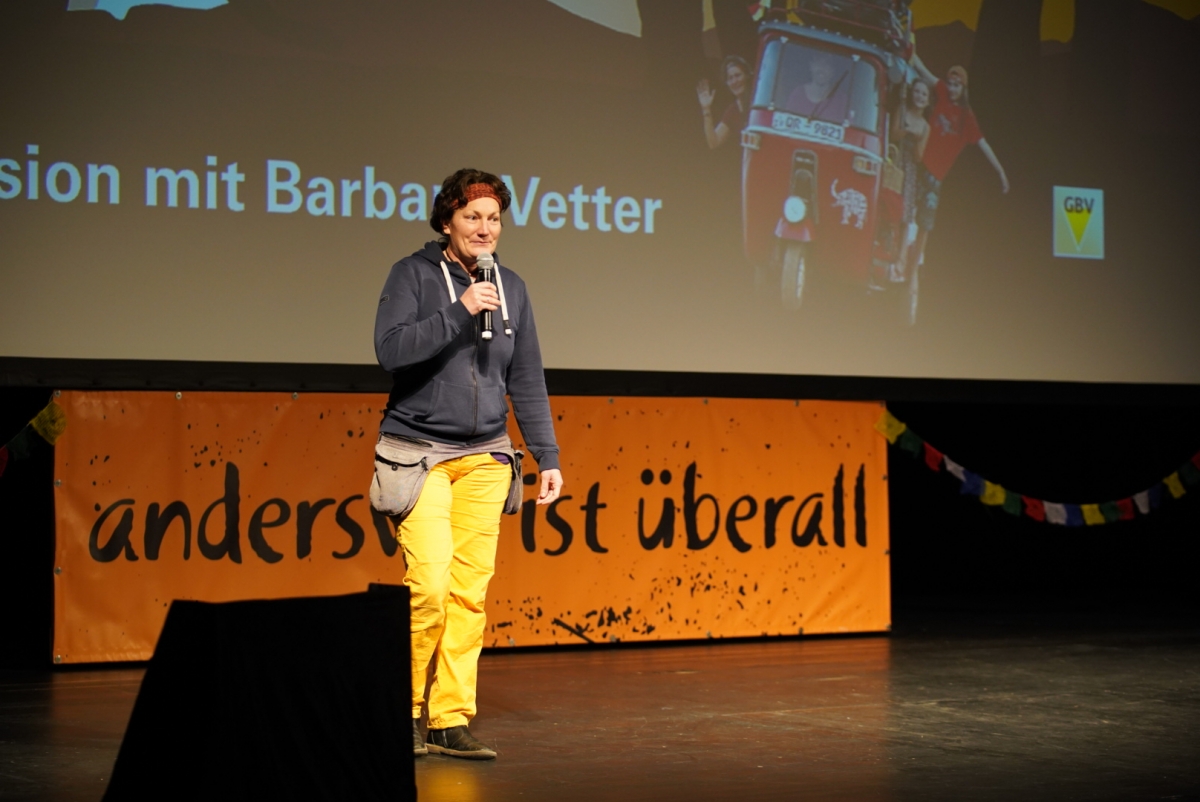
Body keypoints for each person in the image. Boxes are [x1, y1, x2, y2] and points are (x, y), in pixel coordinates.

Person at [373, 168, 563, 760]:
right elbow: (391, 351)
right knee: (426, 586)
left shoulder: (513, 287)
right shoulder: (412, 275)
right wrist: (459, 310)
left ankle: (449, 719)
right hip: (419, 455)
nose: (485, 228)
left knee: (468, 595)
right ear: (447, 222)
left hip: (486, 456)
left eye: (494, 219)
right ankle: (400, 713)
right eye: (473, 217)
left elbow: (525, 376)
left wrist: (546, 455)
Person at [910, 56, 1009, 269]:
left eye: (957, 86)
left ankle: (915, 263)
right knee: (908, 210)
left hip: (935, 175)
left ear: (964, 88)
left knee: (925, 221)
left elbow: (984, 145)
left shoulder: (967, 117)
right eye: (951, 84)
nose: (952, 89)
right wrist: (912, 53)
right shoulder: (943, 94)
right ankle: (903, 254)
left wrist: (1000, 172)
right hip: (918, 162)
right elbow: (924, 71)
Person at [892, 79, 931, 277]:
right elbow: (894, 134)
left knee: (905, 213)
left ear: (928, 101)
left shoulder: (925, 126)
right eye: (917, 91)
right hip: (894, 161)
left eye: (924, 94)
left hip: (910, 168)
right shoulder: (902, 110)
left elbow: (919, 157)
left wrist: (917, 139)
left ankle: (901, 257)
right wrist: (907, 130)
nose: (919, 96)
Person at [697, 55, 752, 149]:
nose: (734, 81)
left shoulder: (760, 100)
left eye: (738, 75)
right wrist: (706, 109)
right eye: (730, 78)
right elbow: (714, 143)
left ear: (746, 76)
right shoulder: (732, 110)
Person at [785, 50, 849, 122]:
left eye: (826, 64)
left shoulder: (841, 100)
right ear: (811, 66)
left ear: (833, 70)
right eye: (818, 63)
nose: (821, 69)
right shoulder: (797, 94)